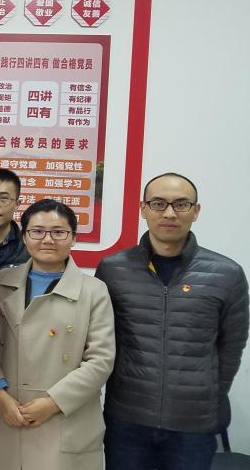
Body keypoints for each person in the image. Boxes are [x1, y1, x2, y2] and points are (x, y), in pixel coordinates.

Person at [96, 173, 248, 470]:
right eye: (158, 203)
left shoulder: (226, 273)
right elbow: (102, 339)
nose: (169, 213)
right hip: (127, 419)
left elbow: (232, 344)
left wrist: (209, 395)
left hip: (193, 425)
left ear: (196, 211)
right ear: (143, 209)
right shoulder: (113, 269)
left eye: (181, 204)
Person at [0, 199, 115, 470]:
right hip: (6, 414)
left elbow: (100, 360)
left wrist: (53, 402)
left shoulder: (94, 291)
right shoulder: (1, 282)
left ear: (74, 238)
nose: (47, 239)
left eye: (58, 232)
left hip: (65, 418)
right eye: (37, 231)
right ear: (24, 236)